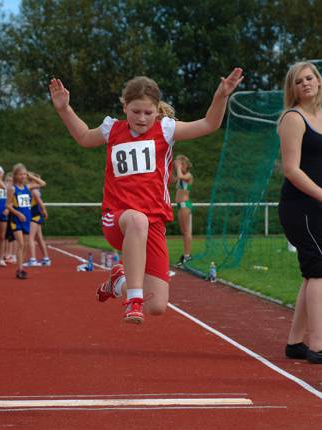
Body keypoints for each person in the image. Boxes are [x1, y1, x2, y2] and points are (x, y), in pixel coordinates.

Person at [50, 69, 243, 323]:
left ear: (157, 110)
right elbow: (85, 137)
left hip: (153, 224)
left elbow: (209, 124)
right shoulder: (113, 129)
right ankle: (132, 300)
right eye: (136, 112)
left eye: (148, 113)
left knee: (158, 305)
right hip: (117, 218)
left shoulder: (166, 130)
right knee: (137, 220)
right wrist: (64, 109)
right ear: (125, 107)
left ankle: (118, 284)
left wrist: (221, 97)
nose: (142, 118)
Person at [278, 61, 322, 364]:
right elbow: (291, 169)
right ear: (292, 89)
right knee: (319, 270)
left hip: (317, 203)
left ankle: (295, 343)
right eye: (298, 81)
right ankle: (318, 346)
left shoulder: (321, 116)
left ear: (318, 82)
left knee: (313, 272)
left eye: (310, 78)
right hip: (300, 206)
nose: (305, 83)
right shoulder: (293, 118)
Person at [7, 163, 46, 279]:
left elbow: (43, 183)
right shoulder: (12, 189)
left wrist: (31, 176)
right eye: (20, 174)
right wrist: (18, 213)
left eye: (24, 174)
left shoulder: (27, 187)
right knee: (21, 244)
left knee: (25, 246)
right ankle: (20, 270)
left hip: (27, 219)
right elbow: (7, 205)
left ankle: (21, 267)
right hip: (16, 219)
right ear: (15, 175)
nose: (23, 176)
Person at [25, 179, 51, 267]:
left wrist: (44, 211)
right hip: (33, 215)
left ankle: (33, 259)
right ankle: (46, 258)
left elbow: (40, 203)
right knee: (39, 238)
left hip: (34, 215)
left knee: (30, 238)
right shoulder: (27, 190)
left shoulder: (34, 191)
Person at [173, 155, 194, 266]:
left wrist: (178, 167)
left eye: (181, 164)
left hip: (185, 205)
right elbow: (172, 179)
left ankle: (187, 256)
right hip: (180, 205)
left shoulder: (188, 175)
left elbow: (180, 176)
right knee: (184, 231)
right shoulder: (180, 177)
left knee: (186, 231)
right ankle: (186, 255)